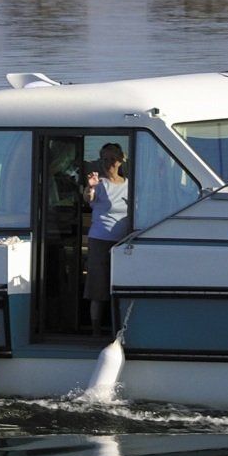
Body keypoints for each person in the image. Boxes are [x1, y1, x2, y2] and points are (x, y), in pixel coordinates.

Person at [82, 142, 130, 332]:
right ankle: (95, 330)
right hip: (101, 239)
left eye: (113, 159)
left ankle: (117, 327)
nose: (109, 163)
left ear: (120, 161)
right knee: (98, 285)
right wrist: (89, 187)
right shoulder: (99, 184)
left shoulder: (129, 185)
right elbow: (88, 198)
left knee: (119, 284)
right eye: (105, 159)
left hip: (124, 241)